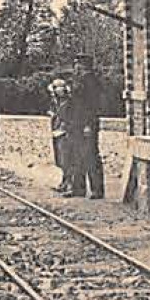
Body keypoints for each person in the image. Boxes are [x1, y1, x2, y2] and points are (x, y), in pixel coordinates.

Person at [59, 54, 108, 199]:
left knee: (90, 156)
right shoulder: (78, 81)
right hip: (75, 124)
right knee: (76, 156)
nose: (76, 68)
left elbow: (93, 106)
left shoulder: (91, 82)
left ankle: (97, 189)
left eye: (78, 65)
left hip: (86, 124)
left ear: (84, 66)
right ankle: (78, 188)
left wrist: (88, 125)